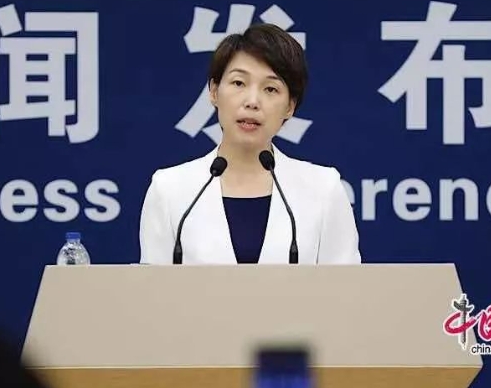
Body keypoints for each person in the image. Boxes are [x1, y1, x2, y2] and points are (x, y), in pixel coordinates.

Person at [139, 23, 360, 265]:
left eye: (271, 89)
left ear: (290, 106)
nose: (252, 101)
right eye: (239, 83)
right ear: (214, 91)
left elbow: (347, 286)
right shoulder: (169, 190)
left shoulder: (323, 189)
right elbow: (151, 287)